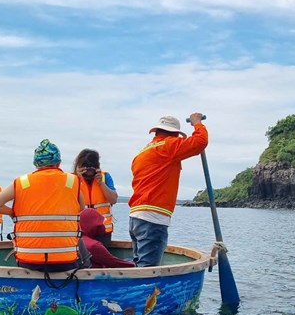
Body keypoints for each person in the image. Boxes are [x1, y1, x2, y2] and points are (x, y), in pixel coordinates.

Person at [0, 139, 89, 273]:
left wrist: (12, 212)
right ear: (58, 162)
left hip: (29, 258)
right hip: (64, 258)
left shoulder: (23, 182)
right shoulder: (72, 181)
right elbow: (81, 208)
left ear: (36, 164)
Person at [128, 113, 208, 267]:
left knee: (139, 266)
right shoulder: (169, 146)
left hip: (135, 216)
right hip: (152, 217)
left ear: (156, 132)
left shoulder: (141, 154)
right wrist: (197, 123)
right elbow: (200, 141)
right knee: (147, 272)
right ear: (175, 134)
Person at [72, 149, 119, 245]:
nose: (89, 173)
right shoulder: (72, 179)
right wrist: (78, 181)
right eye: (86, 169)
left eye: (91, 169)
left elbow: (113, 200)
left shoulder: (105, 177)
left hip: (102, 230)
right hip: (80, 229)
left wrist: (101, 183)